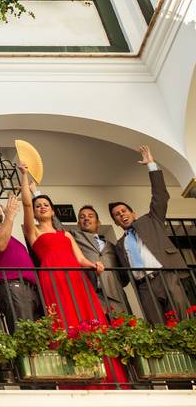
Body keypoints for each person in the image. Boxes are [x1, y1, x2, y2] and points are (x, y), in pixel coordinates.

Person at [19, 163, 128, 387]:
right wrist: (24, 175)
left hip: (77, 278)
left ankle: (105, 375)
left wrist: (94, 264)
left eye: (46, 205)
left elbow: (80, 259)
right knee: (65, 321)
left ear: (53, 210)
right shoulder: (33, 231)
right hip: (54, 279)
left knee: (89, 318)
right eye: (39, 205)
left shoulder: (66, 234)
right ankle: (74, 378)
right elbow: (27, 204)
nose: (41, 207)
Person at [109, 145, 191, 325]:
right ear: (115, 222)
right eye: (117, 214)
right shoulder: (120, 245)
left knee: (181, 319)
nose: (121, 214)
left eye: (124, 211)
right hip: (144, 286)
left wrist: (151, 165)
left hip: (165, 276)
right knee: (157, 325)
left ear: (133, 214)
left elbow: (160, 196)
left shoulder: (151, 220)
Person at [0, 194, 40, 331]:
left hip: (31, 289)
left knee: (38, 337)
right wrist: (9, 217)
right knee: (24, 335)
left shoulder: (8, 234)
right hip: (13, 286)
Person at [72, 205, 128, 316]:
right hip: (91, 292)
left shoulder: (112, 246)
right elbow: (56, 227)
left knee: (124, 327)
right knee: (97, 330)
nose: (86, 218)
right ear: (78, 224)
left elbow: (123, 273)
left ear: (98, 222)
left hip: (115, 294)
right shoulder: (74, 237)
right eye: (82, 217)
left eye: (90, 216)